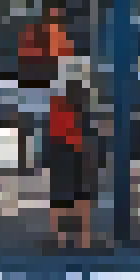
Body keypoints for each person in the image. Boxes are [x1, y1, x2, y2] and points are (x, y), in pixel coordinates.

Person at [45, 56, 101, 251]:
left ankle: (59, 237)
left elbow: (51, 130)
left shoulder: (56, 102)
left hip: (61, 151)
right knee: (82, 194)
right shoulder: (85, 101)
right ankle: (82, 238)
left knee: (61, 194)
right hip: (78, 151)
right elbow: (89, 129)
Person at [16, 2, 77, 171]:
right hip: (40, 85)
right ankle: (34, 161)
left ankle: (31, 161)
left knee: (34, 125)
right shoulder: (47, 33)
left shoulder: (39, 33)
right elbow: (62, 59)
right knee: (36, 124)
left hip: (36, 84)